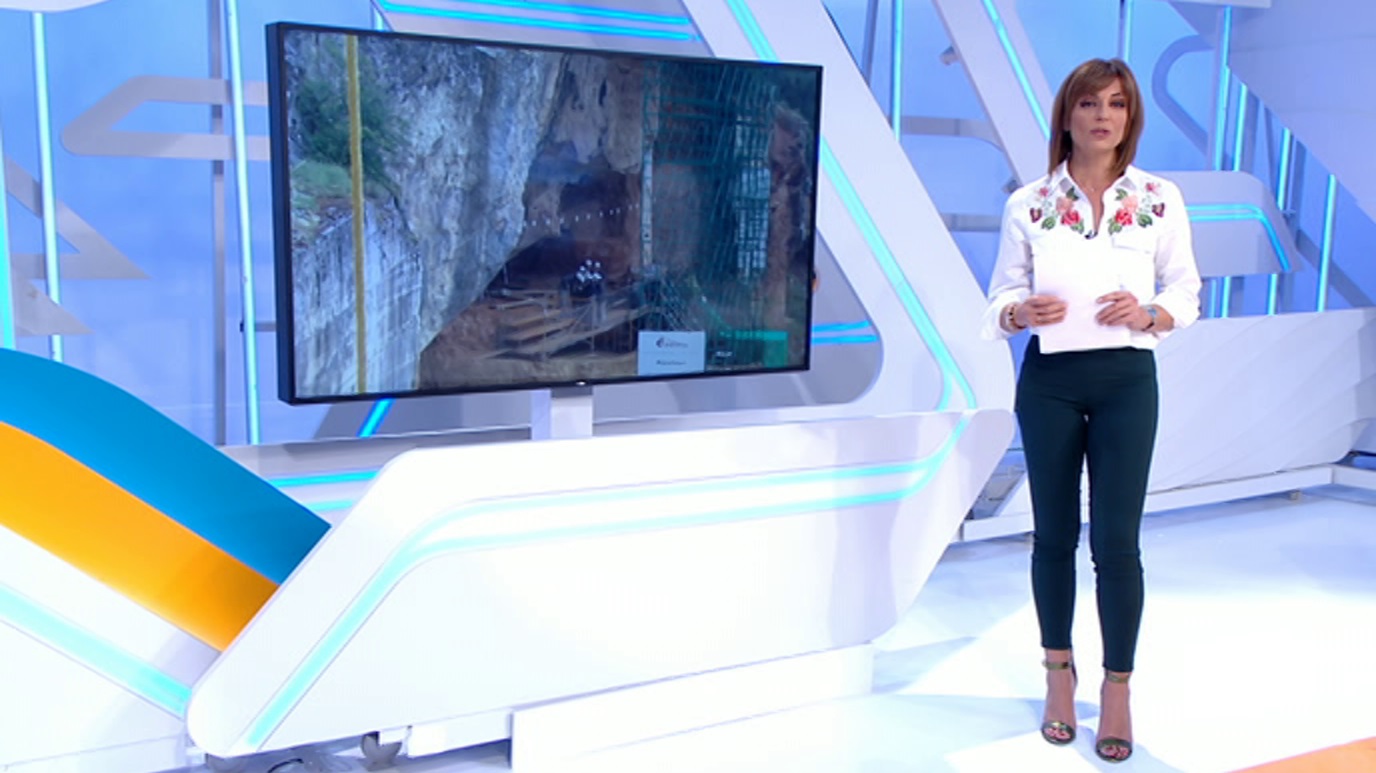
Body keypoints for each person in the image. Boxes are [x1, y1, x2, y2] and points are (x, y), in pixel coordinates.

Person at [981, 58, 1202, 763]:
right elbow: (998, 297)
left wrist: (1151, 312)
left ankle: (1116, 689)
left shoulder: (1159, 198)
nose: (1102, 115)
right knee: (1052, 536)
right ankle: (1057, 673)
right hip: (1049, 381)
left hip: (1127, 380)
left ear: (1130, 117)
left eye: (1116, 104)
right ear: (1067, 115)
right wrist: (1019, 311)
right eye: (1089, 103)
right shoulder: (1030, 203)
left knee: (1116, 542)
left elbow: (1187, 289)